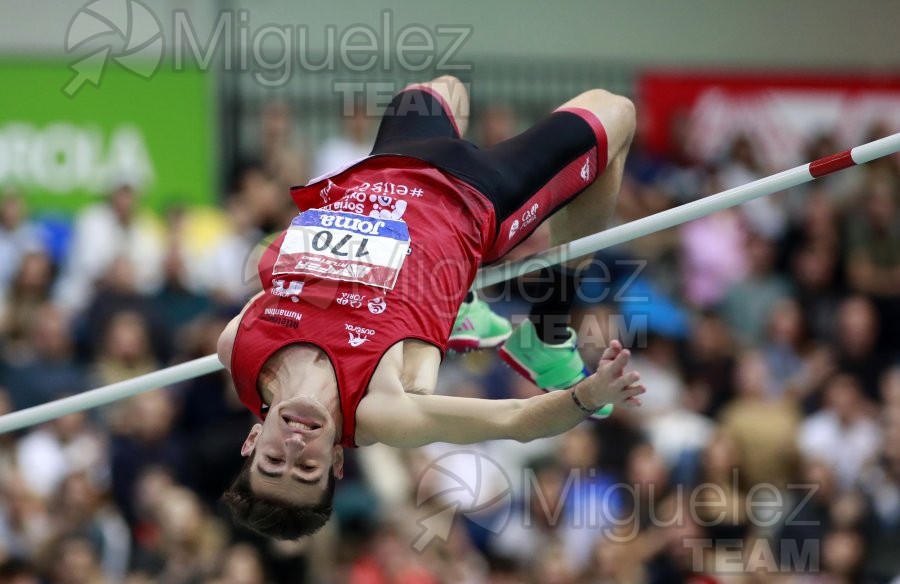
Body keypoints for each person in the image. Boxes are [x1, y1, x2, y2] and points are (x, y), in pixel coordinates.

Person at [216, 76, 643, 539]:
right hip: (477, 199)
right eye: (307, 468)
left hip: (384, 172)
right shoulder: (379, 411)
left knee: (446, 89)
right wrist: (592, 395)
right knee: (617, 111)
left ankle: (455, 310)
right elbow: (515, 422)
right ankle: (547, 333)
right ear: (336, 462)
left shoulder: (237, 346)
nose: (296, 446)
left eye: (275, 460)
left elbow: (298, 277)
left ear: (253, 441)